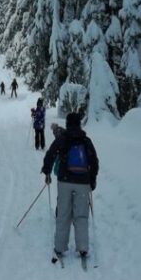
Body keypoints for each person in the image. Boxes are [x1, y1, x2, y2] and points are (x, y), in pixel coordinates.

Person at [42, 111, 99, 261]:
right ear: (79, 124)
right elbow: (94, 161)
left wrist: (47, 172)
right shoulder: (86, 141)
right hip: (82, 183)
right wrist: (92, 180)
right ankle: (83, 248)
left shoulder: (62, 139)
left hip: (65, 181)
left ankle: (60, 247)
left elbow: (50, 154)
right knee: (81, 215)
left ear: (67, 124)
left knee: (63, 214)